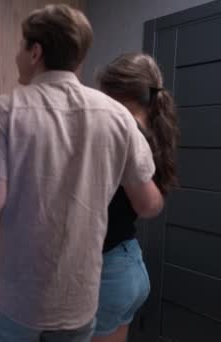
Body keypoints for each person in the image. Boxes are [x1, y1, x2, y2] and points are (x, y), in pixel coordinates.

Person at [0, 4, 164, 342]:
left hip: (16, 299)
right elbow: (148, 204)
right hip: (79, 302)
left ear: (36, 52)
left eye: (20, 46)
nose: (16, 55)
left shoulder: (3, 109)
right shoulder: (117, 116)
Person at [92, 53, 179, 342]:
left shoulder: (123, 135)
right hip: (128, 264)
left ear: (117, 92)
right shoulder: (151, 133)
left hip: (109, 272)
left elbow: (147, 204)